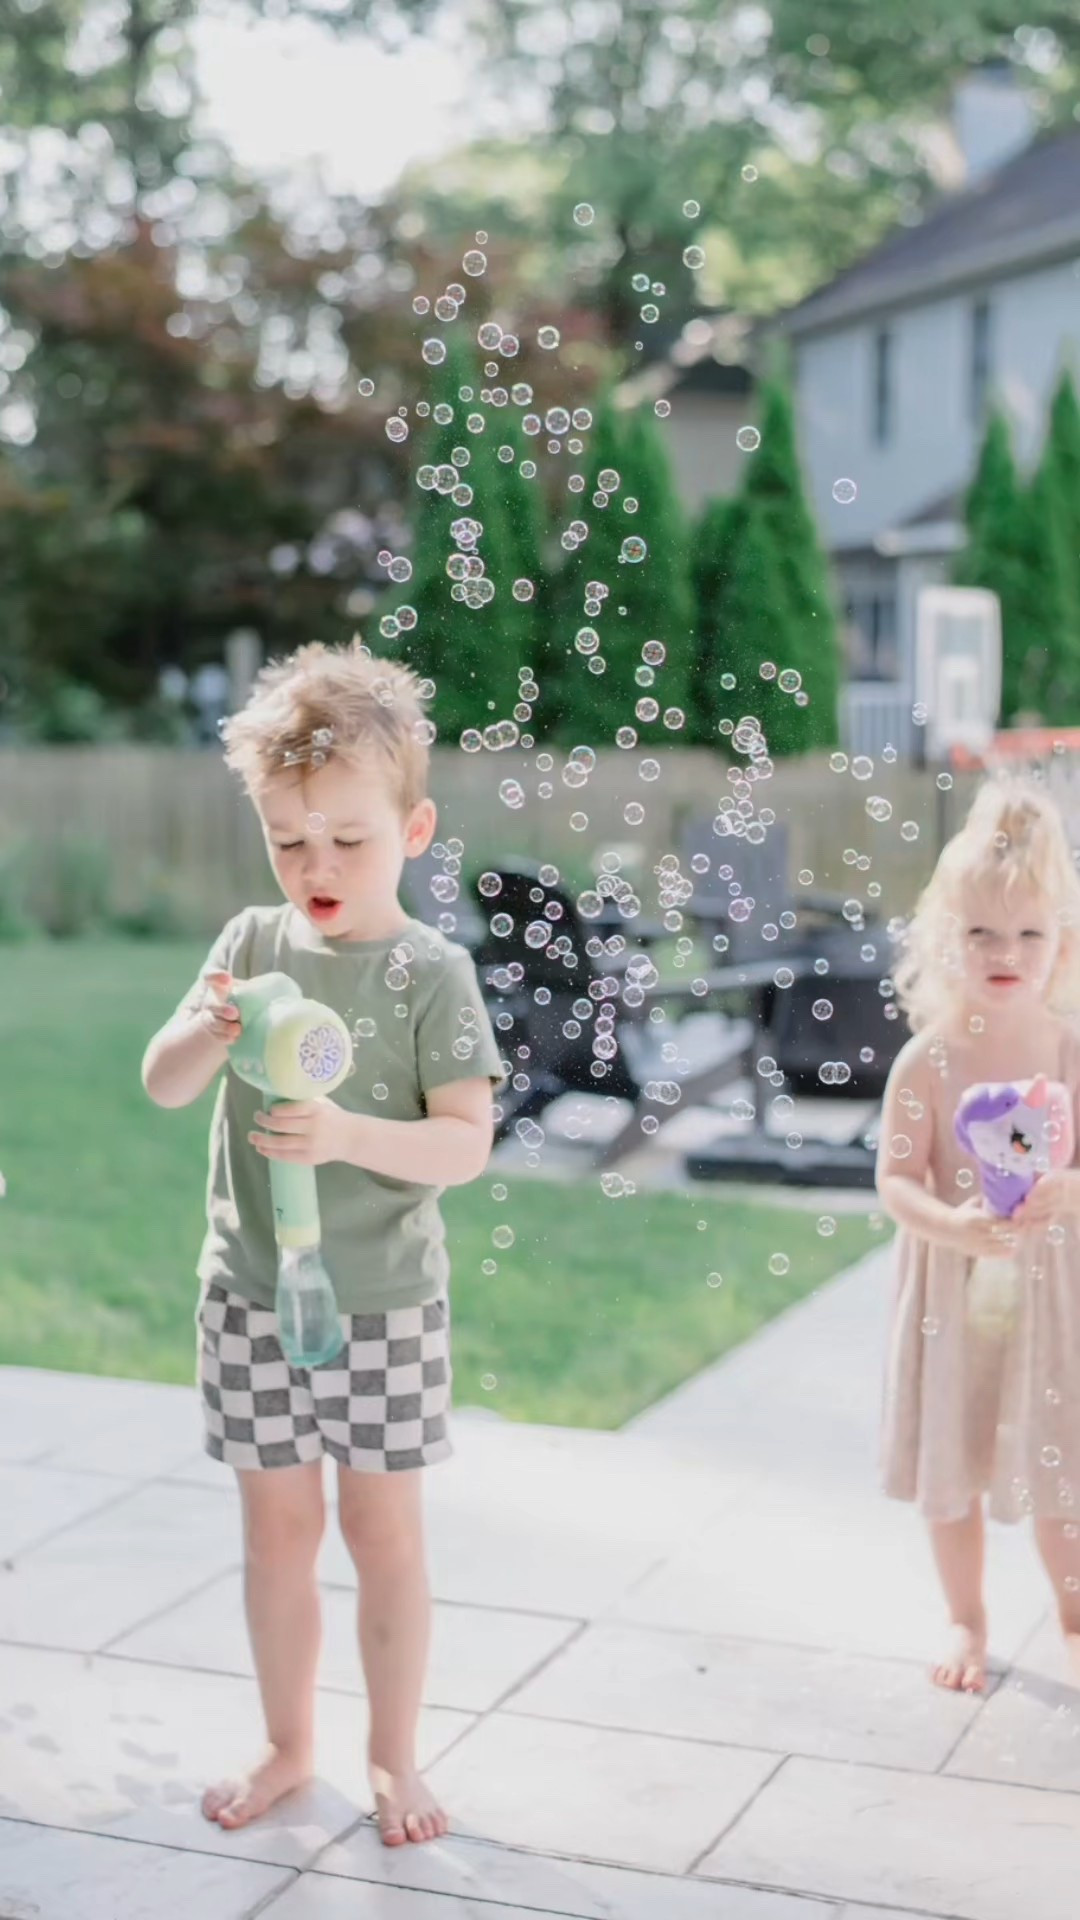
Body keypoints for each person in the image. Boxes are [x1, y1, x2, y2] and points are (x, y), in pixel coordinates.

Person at [141, 640, 504, 1844]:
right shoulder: (249, 945)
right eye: (289, 839)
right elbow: (164, 1084)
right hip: (249, 1295)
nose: (316, 866)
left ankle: (395, 1758)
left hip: (384, 1302)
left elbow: (465, 1143)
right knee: (277, 1530)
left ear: (412, 829)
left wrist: (348, 1132)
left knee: (381, 1528)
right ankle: (291, 1741)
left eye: (347, 839)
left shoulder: (429, 975)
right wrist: (204, 1024)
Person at [877, 768, 1080, 1696]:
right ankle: (967, 1615)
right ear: (944, 940)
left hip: (1056, 1296)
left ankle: (1074, 1610)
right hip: (954, 1293)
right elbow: (896, 1179)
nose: (1007, 950)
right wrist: (951, 1223)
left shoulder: (1070, 1051)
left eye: (1031, 933)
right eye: (983, 932)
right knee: (951, 1451)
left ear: (1063, 945)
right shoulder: (931, 1058)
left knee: (1062, 1453)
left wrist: (1067, 1191)